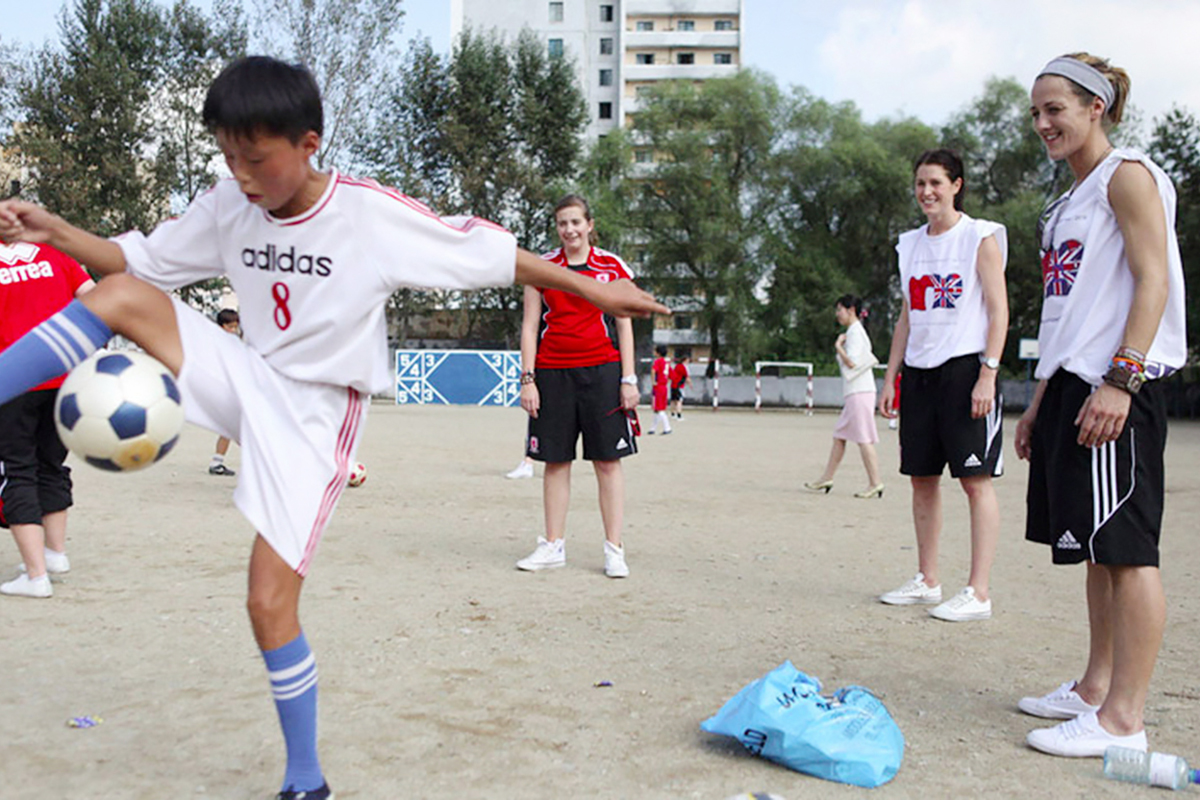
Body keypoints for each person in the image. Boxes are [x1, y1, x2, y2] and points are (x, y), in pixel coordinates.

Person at [0, 57, 666, 799]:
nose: (242, 174)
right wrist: (55, 230)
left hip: (314, 415)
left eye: (255, 157)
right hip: (247, 374)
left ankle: (305, 780)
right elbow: (135, 260)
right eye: (228, 156)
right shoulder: (229, 204)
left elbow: (496, 259)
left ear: (308, 142)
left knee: (265, 602)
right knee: (120, 292)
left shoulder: (366, 215)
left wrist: (596, 287)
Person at [1016, 53, 1186, 759]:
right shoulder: (1069, 201)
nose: (1043, 123)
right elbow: (1067, 313)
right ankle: (1094, 690)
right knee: (1094, 550)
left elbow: (1154, 282)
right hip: (1073, 386)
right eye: (1035, 112)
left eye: (1055, 108)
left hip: (1118, 388)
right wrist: (1039, 399)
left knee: (1127, 551)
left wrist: (1122, 381)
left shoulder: (1130, 176)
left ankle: (1124, 721)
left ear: (1097, 107)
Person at [878, 148, 1009, 623]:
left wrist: (988, 374)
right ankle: (927, 579)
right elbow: (907, 316)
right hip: (919, 374)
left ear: (956, 185)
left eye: (936, 182)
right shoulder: (909, 244)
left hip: (964, 371)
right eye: (920, 184)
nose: (926, 192)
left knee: (975, 482)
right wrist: (890, 376)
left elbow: (999, 310)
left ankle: (978, 590)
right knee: (922, 478)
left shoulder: (980, 237)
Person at [515, 194, 640, 579]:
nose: (569, 229)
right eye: (562, 223)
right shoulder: (542, 269)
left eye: (575, 222)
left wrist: (629, 378)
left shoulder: (611, 266)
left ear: (589, 225)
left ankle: (614, 549)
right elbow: (531, 326)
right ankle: (553, 545)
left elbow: (624, 324)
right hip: (553, 373)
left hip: (602, 372)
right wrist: (528, 379)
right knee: (556, 461)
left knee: (607, 462)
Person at [0, 238, 95, 598]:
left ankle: (36, 576)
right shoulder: (56, 254)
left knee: (16, 469)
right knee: (51, 463)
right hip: (61, 373)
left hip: (11, 375)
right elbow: (92, 295)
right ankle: (55, 555)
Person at [804, 295, 883, 498]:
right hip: (856, 392)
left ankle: (875, 482)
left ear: (851, 310)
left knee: (864, 438)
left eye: (840, 310)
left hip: (859, 392)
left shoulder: (855, 333)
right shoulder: (855, 332)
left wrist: (838, 347)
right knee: (840, 436)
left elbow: (852, 363)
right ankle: (826, 477)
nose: (837, 314)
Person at [208, 307, 241, 476]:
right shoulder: (219, 344)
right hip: (227, 391)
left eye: (235, 327)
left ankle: (217, 461)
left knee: (228, 430)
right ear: (221, 326)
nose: (233, 330)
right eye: (230, 326)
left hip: (231, 390)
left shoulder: (230, 343)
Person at [648, 344, 672, 435]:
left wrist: (653, 381)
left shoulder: (658, 361)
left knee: (659, 408)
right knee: (656, 409)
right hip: (664, 386)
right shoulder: (666, 362)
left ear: (658, 353)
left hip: (658, 387)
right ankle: (653, 428)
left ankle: (667, 427)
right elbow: (670, 374)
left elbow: (653, 371)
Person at [669, 354, 691, 419]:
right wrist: (690, 384)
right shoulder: (683, 367)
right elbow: (686, 377)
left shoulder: (677, 366)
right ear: (684, 361)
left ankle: (672, 414)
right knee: (679, 400)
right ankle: (679, 415)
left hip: (673, 385)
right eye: (687, 361)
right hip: (679, 386)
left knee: (673, 400)